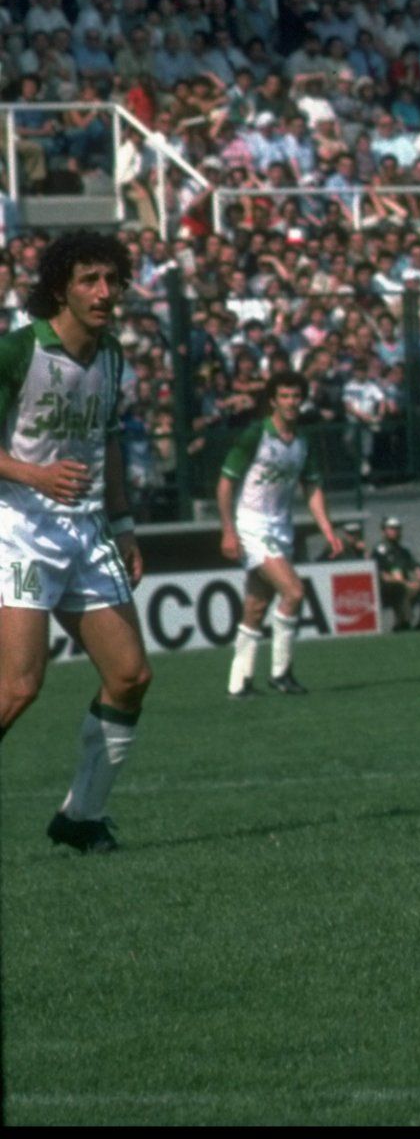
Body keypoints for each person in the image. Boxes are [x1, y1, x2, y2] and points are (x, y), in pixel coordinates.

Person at [0, 232, 151, 854]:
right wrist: (36, 475)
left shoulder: (112, 356)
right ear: (60, 285)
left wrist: (122, 524)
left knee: (131, 676)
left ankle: (80, 818)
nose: (104, 292)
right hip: (21, 531)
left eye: (113, 280)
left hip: (87, 532)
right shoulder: (18, 350)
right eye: (90, 279)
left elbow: (108, 442)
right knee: (19, 687)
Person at [217, 371, 344, 698]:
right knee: (294, 592)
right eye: (284, 396)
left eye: (296, 397)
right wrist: (228, 530)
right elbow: (226, 482)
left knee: (257, 605)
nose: (290, 403)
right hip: (252, 525)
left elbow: (312, 486)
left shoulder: (302, 441)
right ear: (273, 400)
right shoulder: (256, 434)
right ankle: (281, 673)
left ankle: (239, 681)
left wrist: (327, 529)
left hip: (280, 526)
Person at [372, 516, 420, 631]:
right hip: (388, 589)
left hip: (407, 584)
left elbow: (413, 565)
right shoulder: (379, 551)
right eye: (391, 529)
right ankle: (403, 623)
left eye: (397, 529)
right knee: (402, 590)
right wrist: (406, 583)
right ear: (384, 531)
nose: (395, 532)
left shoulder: (402, 551)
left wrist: (419, 571)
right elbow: (382, 575)